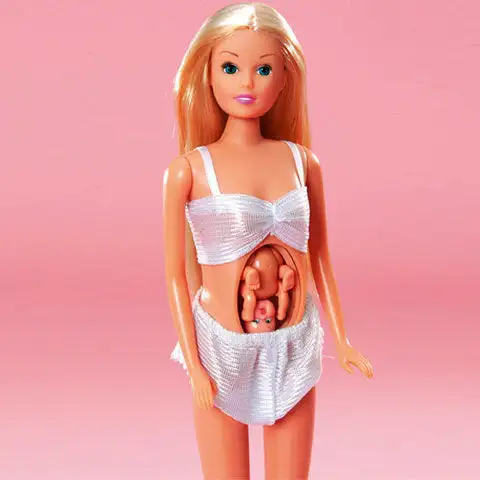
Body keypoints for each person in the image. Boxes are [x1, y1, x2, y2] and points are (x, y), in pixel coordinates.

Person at [163, 3, 374, 478]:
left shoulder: (302, 162)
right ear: (207, 74)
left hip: (294, 345)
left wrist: (341, 339)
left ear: (284, 79)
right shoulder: (188, 170)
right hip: (220, 350)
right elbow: (176, 276)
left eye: (263, 69)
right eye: (230, 67)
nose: (248, 83)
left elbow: (320, 258)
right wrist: (194, 363)